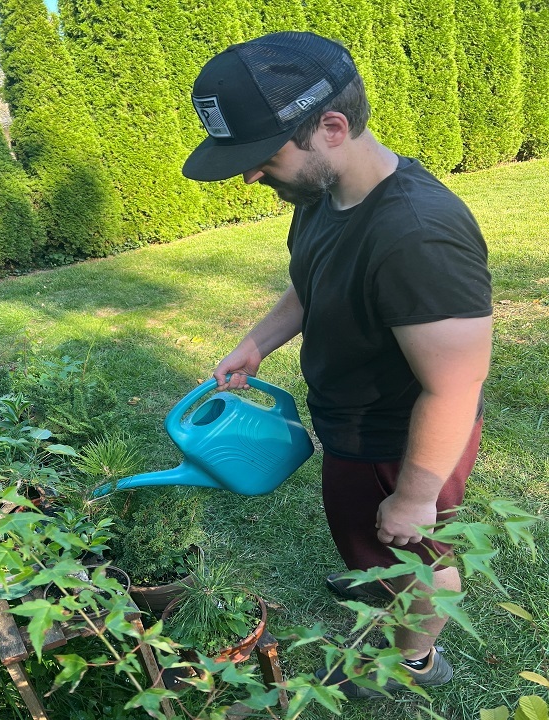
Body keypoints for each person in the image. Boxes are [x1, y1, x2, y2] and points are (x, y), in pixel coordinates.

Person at [182, 31, 493, 698]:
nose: (248, 174)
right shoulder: (325, 195)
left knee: (421, 558)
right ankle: (373, 566)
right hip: (351, 428)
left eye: (262, 155)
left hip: (402, 440)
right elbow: (311, 281)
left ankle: (413, 660)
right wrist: (258, 342)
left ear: (330, 127)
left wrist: (413, 496)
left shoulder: (418, 235)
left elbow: (456, 385)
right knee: (372, 543)